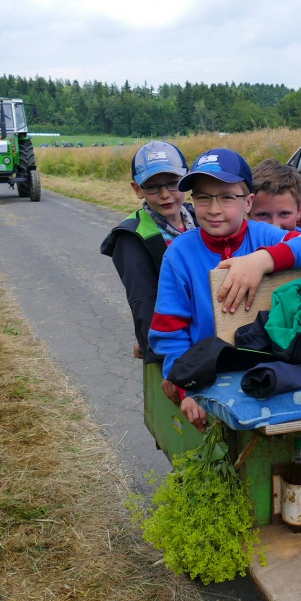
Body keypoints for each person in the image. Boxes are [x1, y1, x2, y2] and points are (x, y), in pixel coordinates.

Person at [149, 148, 301, 429]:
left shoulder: (264, 236)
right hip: (209, 377)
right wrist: (186, 389)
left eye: (228, 197)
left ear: (248, 202)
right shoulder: (180, 253)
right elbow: (169, 333)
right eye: (203, 197)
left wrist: (262, 260)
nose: (214, 209)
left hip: (269, 368)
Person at [100, 141, 202, 424]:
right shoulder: (131, 237)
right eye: (153, 186)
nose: (166, 194)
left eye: (173, 183)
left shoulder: (198, 216)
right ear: (136, 189)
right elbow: (144, 304)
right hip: (174, 347)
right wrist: (165, 365)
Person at [250, 158, 301, 232]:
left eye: (284, 213)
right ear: (248, 211)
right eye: (263, 215)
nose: (275, 226)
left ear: (299, 211)